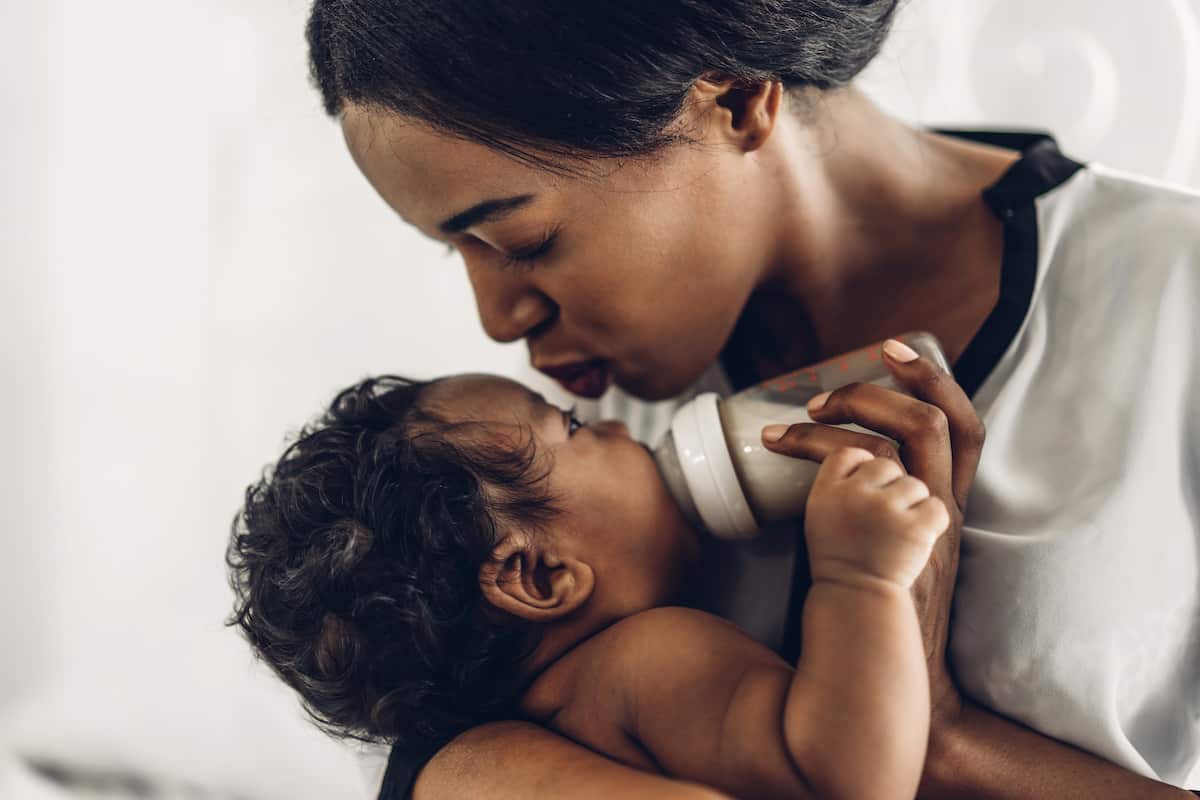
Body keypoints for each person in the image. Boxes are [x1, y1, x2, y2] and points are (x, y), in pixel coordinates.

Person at [302, 1, 1200, 796]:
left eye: (521, 238)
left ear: (734, 100)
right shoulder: (566, 446)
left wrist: (946, 742)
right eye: (452, 248)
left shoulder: (1173, 299)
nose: (499, 321)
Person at [227, 365, 951, 800]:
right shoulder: (646, 660)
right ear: (537, 574)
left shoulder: (554, 718)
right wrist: (861, 579)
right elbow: (848, 781)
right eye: (571, 426)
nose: (613, 426)